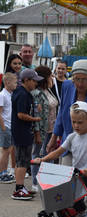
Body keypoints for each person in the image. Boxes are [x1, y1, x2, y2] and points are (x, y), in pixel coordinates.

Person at [33, 101, 87, 217]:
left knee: (76, 193)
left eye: (80, 122)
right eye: (73, 122)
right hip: (75, 174)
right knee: (56, 193)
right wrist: (43, 159)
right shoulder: (72, 137)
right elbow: (58, 152)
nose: (76, 125)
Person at [46, 59, 87, 178]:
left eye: (84, 79)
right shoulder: (67, 86)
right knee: (66, 179)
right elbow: (62, 113)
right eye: (77, 79)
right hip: (69, 140)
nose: (80, 84)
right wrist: (53, 137)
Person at [10, 69, 42, 200]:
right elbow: (21, 114)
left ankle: (21, 186)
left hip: (23, 132)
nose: (36, 83)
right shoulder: (22, 94)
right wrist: (35, 119)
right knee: (22, 161)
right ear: (27, 80)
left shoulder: (25, 93)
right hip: (21, 132)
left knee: (22, 161)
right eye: (34, 81)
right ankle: (19, 189)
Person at [31, 66, 58, 192]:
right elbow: (37, 114)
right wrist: (37, 132)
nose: (52, 78)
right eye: (50, 76)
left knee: (50, 155)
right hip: (42, 130)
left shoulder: (49, 90)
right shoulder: (37, 93)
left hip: (52, 129)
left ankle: (49, 182)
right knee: (38, 154)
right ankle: (36, 182)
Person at [0, 73, 17, 183]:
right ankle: (2, 173)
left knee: (8, 150)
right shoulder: (2, 95)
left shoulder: (10, 94)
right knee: (5, 151)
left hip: (10, 126)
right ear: (7, 83)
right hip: (5, 126)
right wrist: (3, 127)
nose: (16, 84)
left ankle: (4, 172)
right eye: (15, 82)